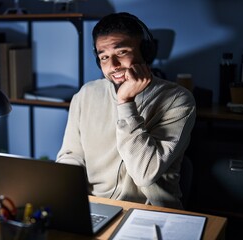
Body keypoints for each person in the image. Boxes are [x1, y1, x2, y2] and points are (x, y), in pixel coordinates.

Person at [56, 12, 196, 209]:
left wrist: (125, 102)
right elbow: (72, 155)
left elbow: (144, 174)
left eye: (121, 52)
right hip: (94, 206)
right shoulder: (86, 94)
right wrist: (64, 194)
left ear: (146, 53)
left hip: (150, 211)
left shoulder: (178, 99)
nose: (112, 65)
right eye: (103, 57)